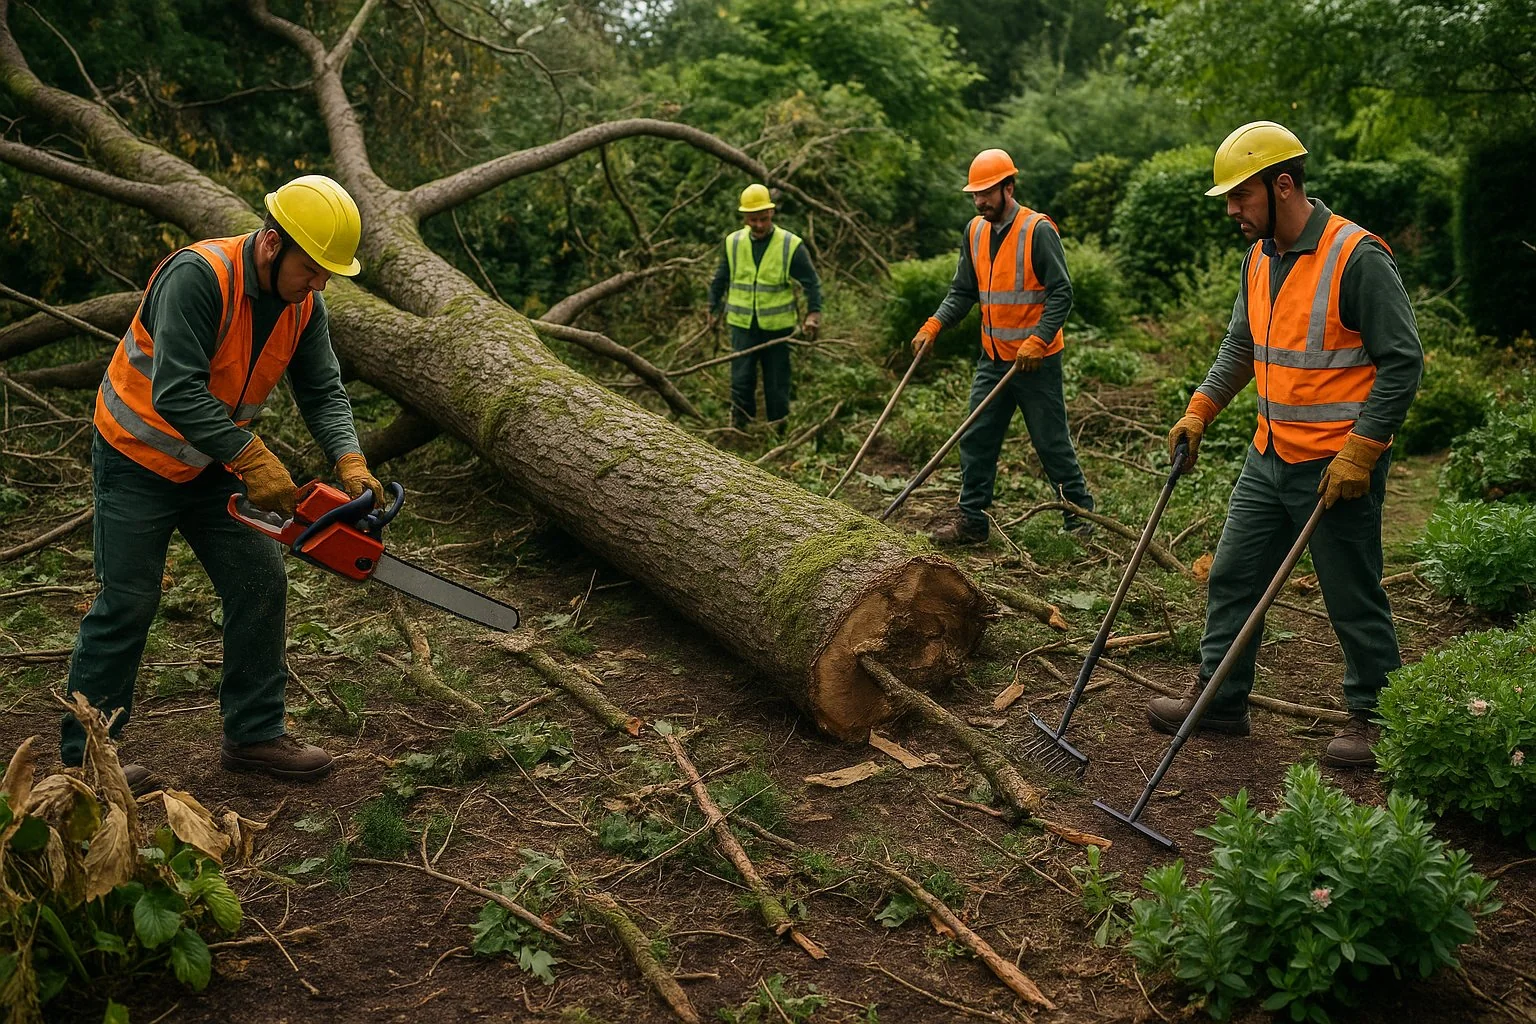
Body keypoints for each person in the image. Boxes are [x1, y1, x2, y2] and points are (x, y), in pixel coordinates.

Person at [62, 174, 385, 789]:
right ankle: (83, 764)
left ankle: (255, 735)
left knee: (259, 579)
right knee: (127, 602)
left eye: (327, 273)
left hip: (213, 465)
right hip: (136, 459)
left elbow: (321, 388)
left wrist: (349, 459)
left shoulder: (302, 305)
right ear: (271, 242)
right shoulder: (199, 278)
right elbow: (177, 391)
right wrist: (257, 458)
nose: (319, 284)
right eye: (312, 268)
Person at [1152, 121, 1423, 768]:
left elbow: (1403, 360)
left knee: (1352, 595)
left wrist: (1362, 449)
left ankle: (1378, 715)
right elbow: (1241, 346)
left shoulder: (1356, 258)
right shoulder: (1260, 258)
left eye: (1240, 196)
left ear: (1282, 185)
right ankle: (1220, 698)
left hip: (1336, 466)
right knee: (1232, 575)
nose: (1232, 210)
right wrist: (1200, 410)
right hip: (1268, 455)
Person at [911, 148, 1093, 543]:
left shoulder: (1037, 230)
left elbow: (1061, 293)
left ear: (1008, 187)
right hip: (993, 359)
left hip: (1035, 363)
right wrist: (934, 324)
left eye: (987, 193)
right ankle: (972, 523)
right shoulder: (975, 231)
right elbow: (963, 291)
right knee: (976, 437)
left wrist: (1038, 340)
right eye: (975, 195)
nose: (980, 202)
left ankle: (1079, 520)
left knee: (1051, 442)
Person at [707, 183, 822, 431]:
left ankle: (778, 430)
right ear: (744, 218)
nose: (759, 225)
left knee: (777, 383)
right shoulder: (733, 242)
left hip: (777, 328)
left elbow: (811, 282)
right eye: (753, 219)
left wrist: (813, 313)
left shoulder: (790, 244)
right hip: (742, 324)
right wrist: (712, 307)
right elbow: (720, 277)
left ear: (772, 213)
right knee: (741, 380)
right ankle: (740, 429)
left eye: (763, 218)